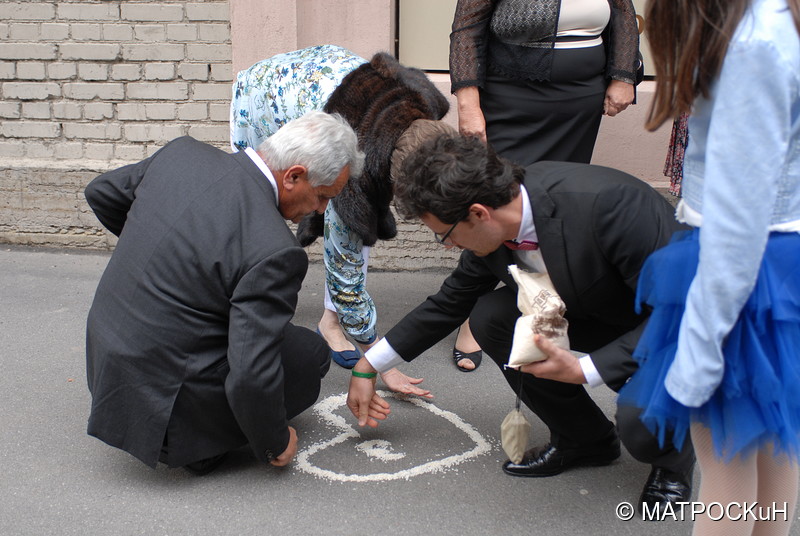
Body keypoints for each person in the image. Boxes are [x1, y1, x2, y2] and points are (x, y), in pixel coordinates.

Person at [347, 133, 694, 510]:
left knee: (640, 422)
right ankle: (585, 439)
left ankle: (673, 463)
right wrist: (368, 366)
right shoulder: (494, 228)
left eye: (444, 234)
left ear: (478, 213)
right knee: (491, 317)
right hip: (583, 307)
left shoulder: (610, 205)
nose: (446, 245)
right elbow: (450, 303)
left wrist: (587, 368)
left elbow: (683, 312)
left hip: (664, 325)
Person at [84, 111, 364, 475]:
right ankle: (198, 445)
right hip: (165, 409)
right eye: (323, 196)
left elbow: (101, 191)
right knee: (310, 356)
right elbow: (250, 372)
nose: (322, 210)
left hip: (106, 365)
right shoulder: (274, 250)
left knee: (290, 342)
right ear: (293, 176)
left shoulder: (182, 154)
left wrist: (166, 252)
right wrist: (274, 442)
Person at [618, 0, 800, 533]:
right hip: (775, 260)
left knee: (728, 463)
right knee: (772, 444)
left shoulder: (750, 43)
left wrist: (698, 356)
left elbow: (738, 220)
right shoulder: (770, 26)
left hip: (744, 264)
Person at [232, 46, 447, 390]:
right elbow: (346, 276)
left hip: (323, 94)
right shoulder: (356, 175)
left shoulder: (421, 110)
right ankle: (247, 321)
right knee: (261, 208)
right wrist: (381, 364)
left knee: (351, 229)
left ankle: (330, 324)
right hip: (265, 94)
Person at [447, 0, 641, 372]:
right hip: (511, 94)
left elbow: (623, 12)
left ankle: (535, 306)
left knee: (550, 208)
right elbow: (467, 26)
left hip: (578, 99)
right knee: (495, 203)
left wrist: (623, 74)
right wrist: (468, 105)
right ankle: (471, 316)